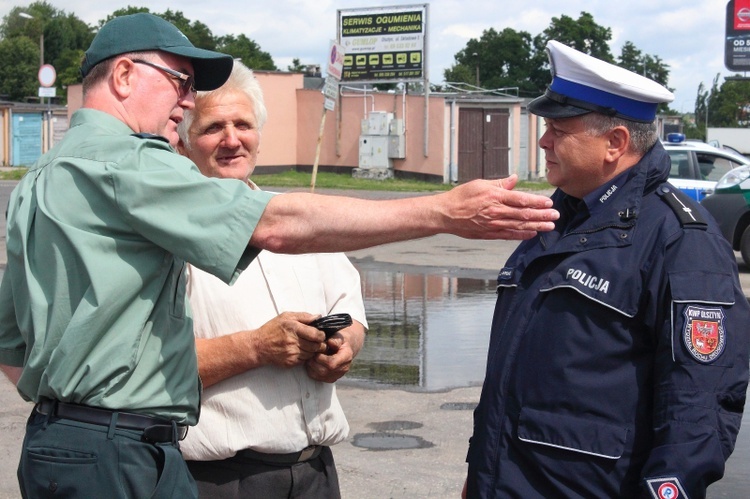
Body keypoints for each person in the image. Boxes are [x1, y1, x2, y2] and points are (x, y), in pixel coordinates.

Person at [0, 13, 558, 499]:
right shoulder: (129, 163)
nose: (187, 101)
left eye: (237, 120)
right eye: (180, 82)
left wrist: (72, 407)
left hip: (71, 445)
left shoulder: (42, 178)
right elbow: (278, 225)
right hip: (126, 453)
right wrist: (443, 212)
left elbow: (12, 344)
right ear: (124, 75)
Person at [463, 40, 750, 498]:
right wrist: (479, 475)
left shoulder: (680, 241)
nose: (543, 141)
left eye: (559, 129)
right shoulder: (555, 221)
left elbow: (697, 411)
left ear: (614, 143)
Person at [175, 62, 366, 498]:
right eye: (212, 128)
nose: (231, 139)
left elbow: (351, 314)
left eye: (243, 124)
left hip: (315, 473)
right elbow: (150, 365)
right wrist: (256, 347)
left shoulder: (299, 221)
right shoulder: (171, 237)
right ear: (184, 145)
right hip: (220, 480)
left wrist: (344, 347)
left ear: (258, 136)